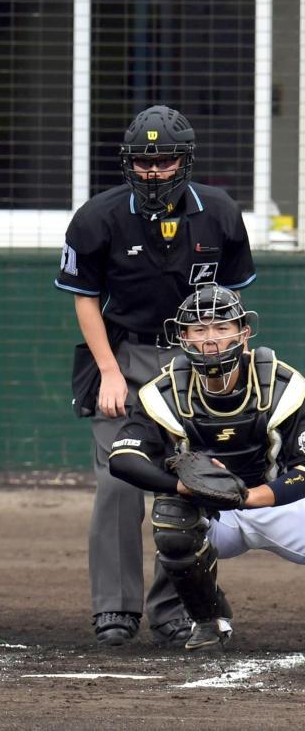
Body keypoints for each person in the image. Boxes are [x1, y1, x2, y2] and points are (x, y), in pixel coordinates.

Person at [54, 105, 256, 647]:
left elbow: (229, 300)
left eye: (164, 161)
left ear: (184, 161)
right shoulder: (98, 217)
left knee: (194, 481)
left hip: (193, 361)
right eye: (143, 162)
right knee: (118, 481)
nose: (153, 172)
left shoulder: (220, 213)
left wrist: (222, 361)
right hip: (123, 356)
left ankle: (174, 606)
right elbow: (86, 299)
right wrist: (109, 373)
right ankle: (115, 609)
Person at [109, 284, 305, 650]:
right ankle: (208, 620)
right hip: (214, 514)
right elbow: (123, 458)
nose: (210, 340)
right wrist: (183, 487)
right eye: (198, 330)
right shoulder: (164, 391)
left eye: (221, 327)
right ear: (182, 337)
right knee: (170, 518)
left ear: (243, 332)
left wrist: (252, 496)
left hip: (278, 503)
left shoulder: (283, 385)